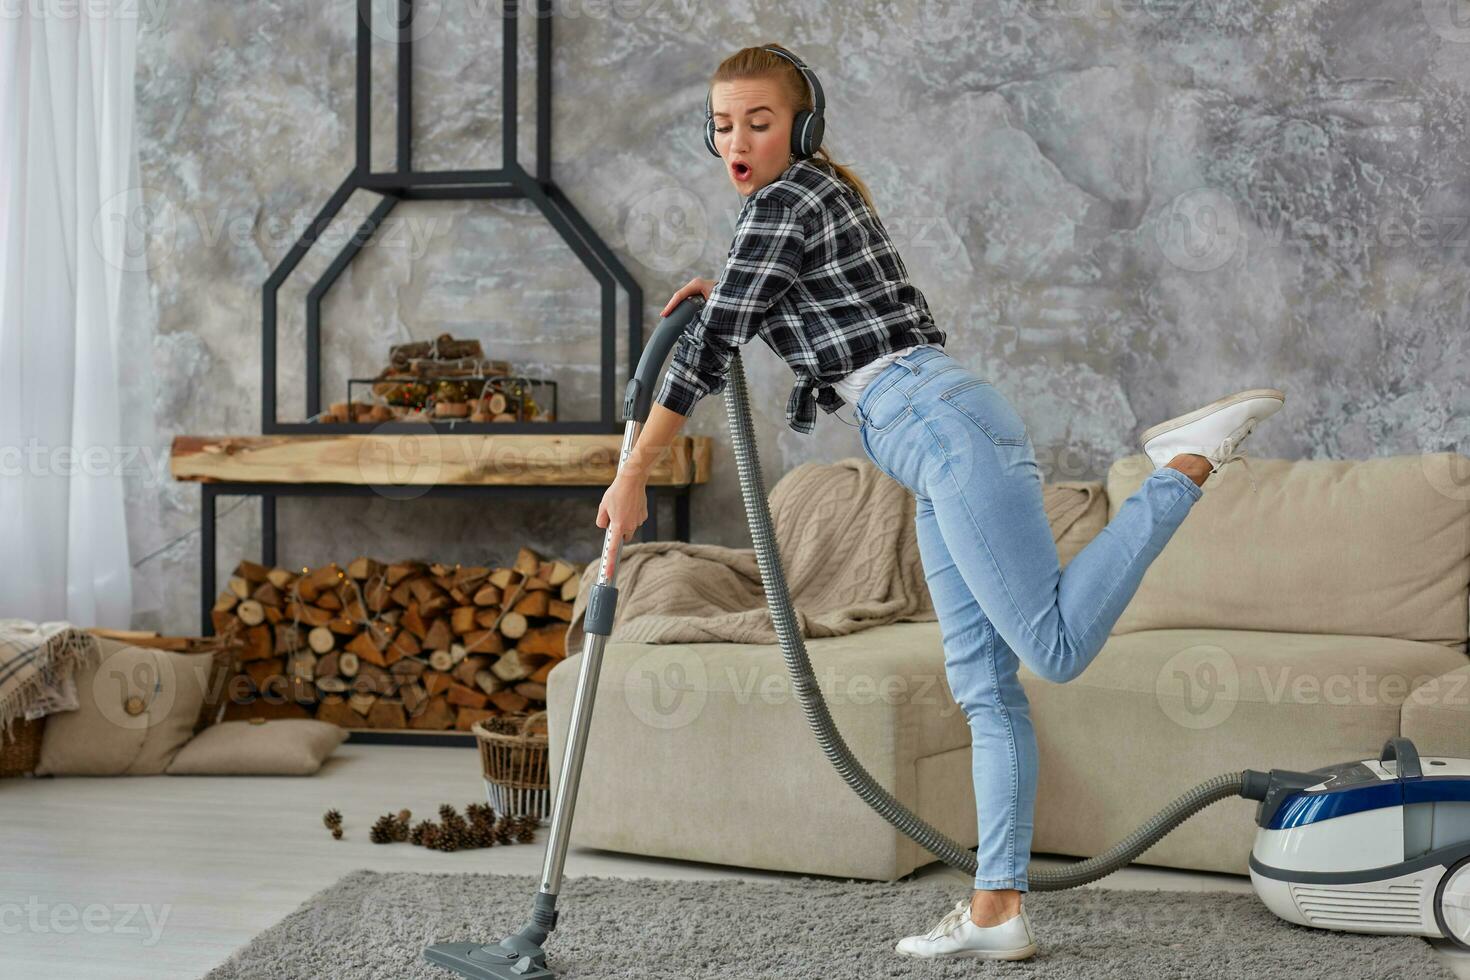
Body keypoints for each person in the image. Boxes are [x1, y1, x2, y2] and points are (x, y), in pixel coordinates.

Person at [598, 43, 1285, 962]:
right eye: (723, 124)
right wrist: (724, 291)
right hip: (936, 439)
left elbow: (711, 347)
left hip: (942, 430)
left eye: (759, 121)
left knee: (1054, 648)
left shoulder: (787, 197)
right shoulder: (798, 206)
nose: (738, 138)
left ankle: (1180, 470)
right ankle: (997, 911)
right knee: (985, 691)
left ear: (801, 127)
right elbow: (780, 305)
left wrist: (634, 468)